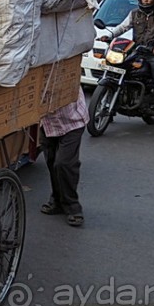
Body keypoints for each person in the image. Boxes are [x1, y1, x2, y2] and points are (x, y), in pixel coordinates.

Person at [100, 0, 154, 136]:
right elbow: (122, 27)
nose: (146, 0)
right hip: (136, 50)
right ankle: (110, 110)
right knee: (118, 70)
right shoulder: (135, 13)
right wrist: (109, 36)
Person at [40, 87, 87, 227]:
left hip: (72, 120)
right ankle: (56, 200)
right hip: (48, 122)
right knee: (51, 161)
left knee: (64, 163)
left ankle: (73, 206)